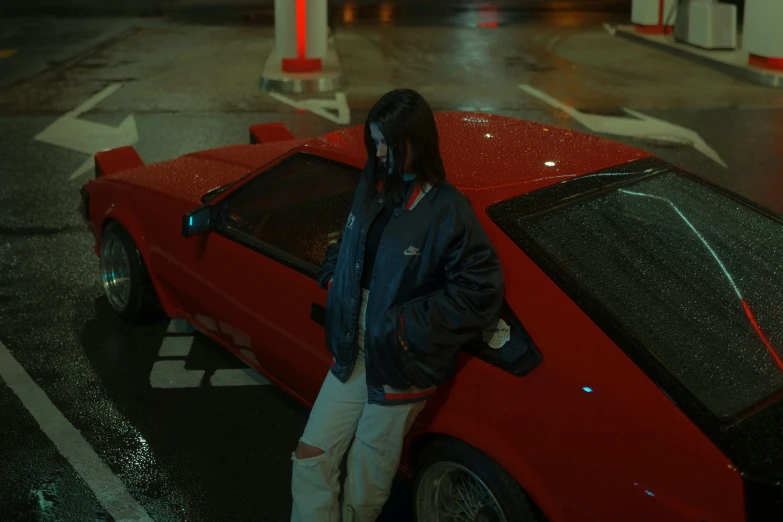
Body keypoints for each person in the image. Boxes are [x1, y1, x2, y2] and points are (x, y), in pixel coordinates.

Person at [290, 88, 505, 522]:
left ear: (418, 140)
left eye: (390, 143)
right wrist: (336, 276)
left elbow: (480, 291)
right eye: (376, 142)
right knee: (310, 455)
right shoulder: (373, 184)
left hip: (400, 363)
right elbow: (349, 240)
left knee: (364, 482)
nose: (381, 152)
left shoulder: (448, 209)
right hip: (353, 347)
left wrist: (405, 328)